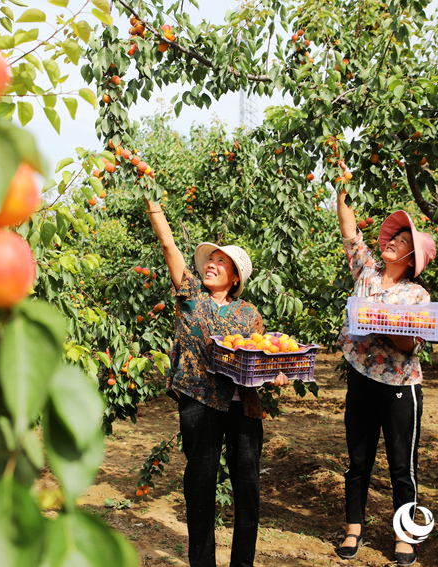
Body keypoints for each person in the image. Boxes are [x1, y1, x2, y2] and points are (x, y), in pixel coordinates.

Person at [145, 197, 288, 567]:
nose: (211, 264)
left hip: (245, 409)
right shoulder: (191, 296)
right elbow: (168, 246)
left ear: (235, 276)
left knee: (248, 490)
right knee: (200, 487)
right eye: (211, 259)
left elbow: (259, 359)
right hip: (200, 401)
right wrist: (153, 203)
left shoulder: (249, 313)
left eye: (220, 261)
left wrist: (276, 375)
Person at [334, 189, 436, 567]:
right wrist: (341, 187)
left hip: (399, 389)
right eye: (393, 237)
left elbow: (409, 346)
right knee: (357, 460)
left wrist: (380, 320)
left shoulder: (416, 295)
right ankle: (353, 527)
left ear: (412, 258)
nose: (392, 242)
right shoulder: (366, 270)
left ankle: (404, 535)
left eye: (403, 241)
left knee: (401, 466)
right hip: (361, 378)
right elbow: (349, 229)